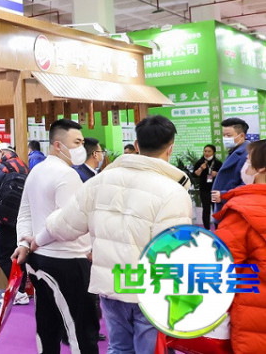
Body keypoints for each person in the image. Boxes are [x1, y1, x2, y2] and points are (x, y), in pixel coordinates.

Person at [32, 115, 192, 354]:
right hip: (150, 290)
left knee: (118, 347)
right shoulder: (173, 191)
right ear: (170, 148)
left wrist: (36, 240)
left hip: (111, 284)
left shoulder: (100, 180)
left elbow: (63, 224)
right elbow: (173, 251)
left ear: (136, 145)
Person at [12, 118, 99, 354]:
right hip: (69, 261)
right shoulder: (67, 175)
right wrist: (35, 241)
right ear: (58, 145)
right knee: (81, 330)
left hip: (40, 260)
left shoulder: (36, 171)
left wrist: (25, 243)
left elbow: (24, 214)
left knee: (47, 326)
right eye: (77, 142)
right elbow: (66, 223)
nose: (81, 148)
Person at [215, 139, 266, 354]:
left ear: (260, 168)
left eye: (248, 160)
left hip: (254, 318)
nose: (244, 166)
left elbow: (221, 266)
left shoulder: (242, 210)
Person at [0, 145, 30, 305]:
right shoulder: (24, 166)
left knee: (3, 255)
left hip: (6, 218)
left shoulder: (4, 167)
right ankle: (21, 290)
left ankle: (18, 291)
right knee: (19, 255)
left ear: (2, 153)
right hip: (23, 219)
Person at [212, 118, 250, 213]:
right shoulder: (234, 151)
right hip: (226, 206)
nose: (225, 138)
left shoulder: (248, 155)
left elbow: (247, 185)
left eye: (229, 135)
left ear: (241, 136)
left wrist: (224, 195)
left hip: (234, 207)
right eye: (223, 135)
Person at [191, 144, 222, 230]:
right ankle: (207, 229)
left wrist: (217, 174)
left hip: (215, 190)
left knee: (216, 209)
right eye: (205, 151)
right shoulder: (200, 162)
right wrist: (201, 168)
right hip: (204, 189)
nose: (206, 153)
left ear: (213, 152)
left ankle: (218, 229)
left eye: (209, 151)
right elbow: (194, 175)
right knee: (206, 209)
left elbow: (224, 175)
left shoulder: (218, 163)